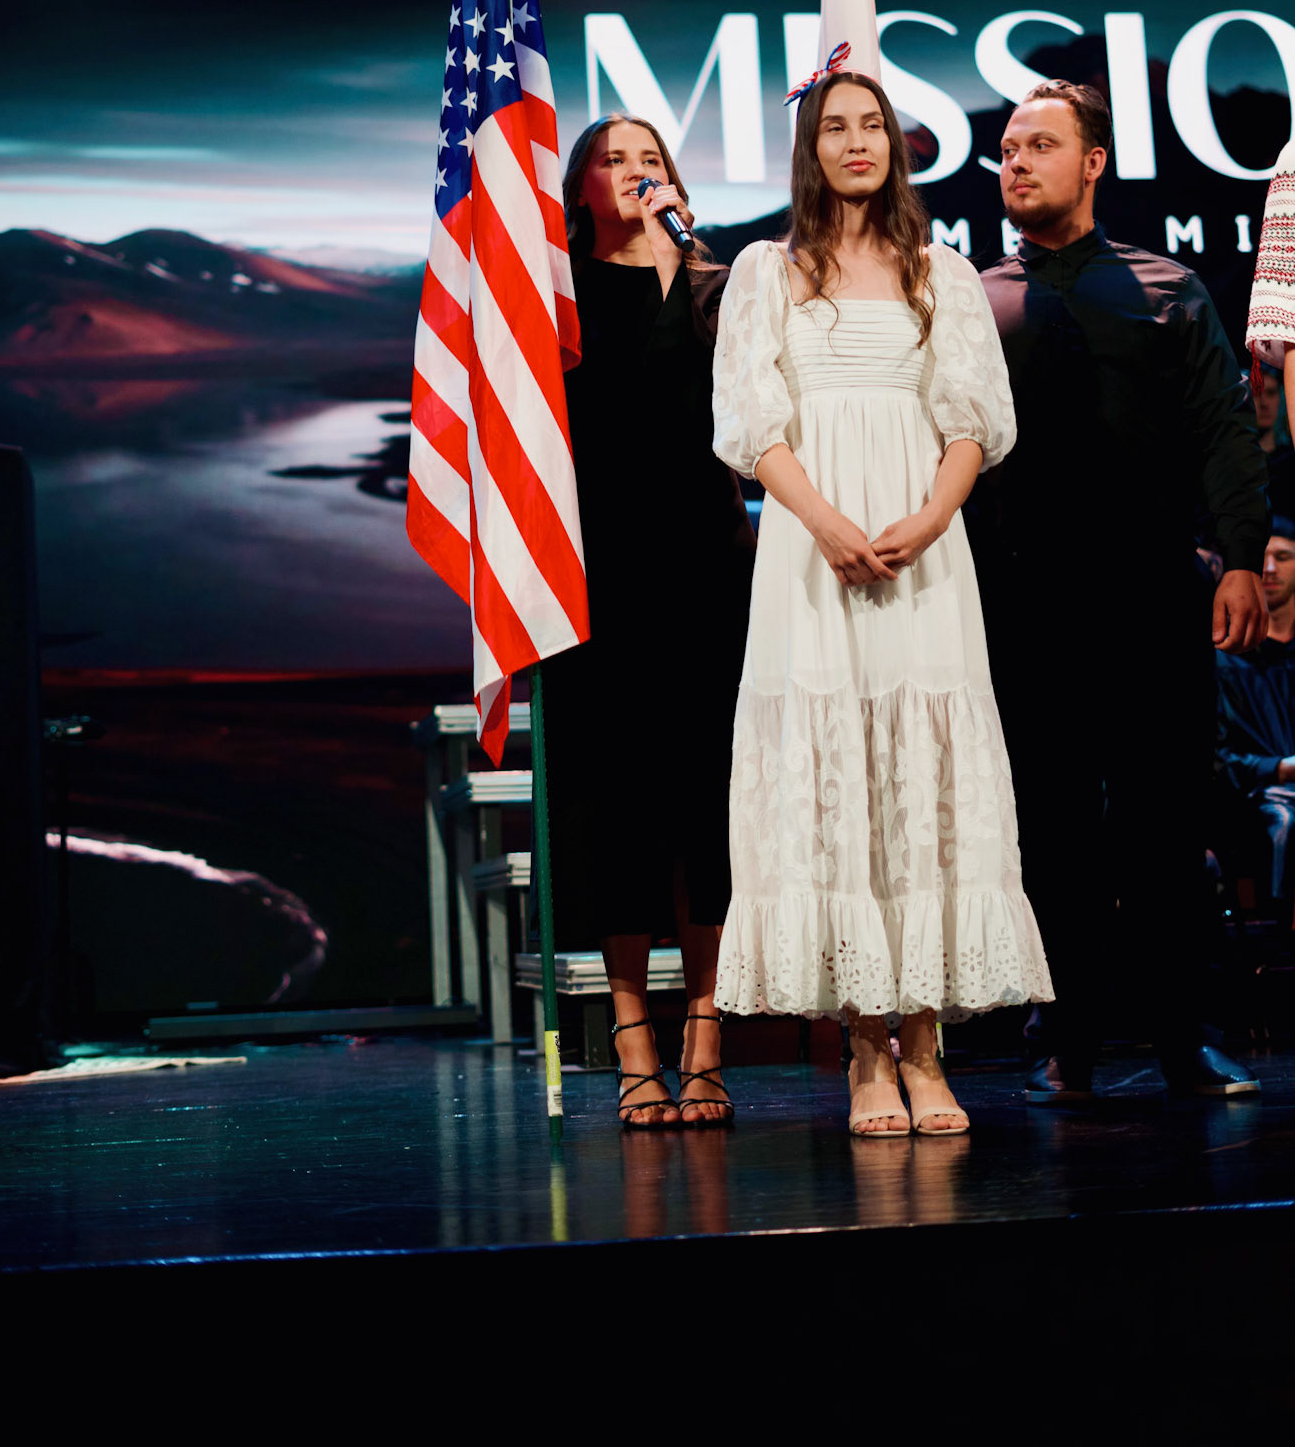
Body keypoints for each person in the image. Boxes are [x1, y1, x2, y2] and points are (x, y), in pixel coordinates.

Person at [711, 65, 1051, 1137]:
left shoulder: (939, 272)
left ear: (895, 146)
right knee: (839, 774)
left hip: (923, 553)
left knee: (921, 773)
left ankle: (927, 1045)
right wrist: (823, 521)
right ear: (809, 149)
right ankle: (865, 1050)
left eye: (872, 125)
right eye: (835, 127)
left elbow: (972, 419)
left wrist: (930, 517)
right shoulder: (767, 272)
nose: (856, 142)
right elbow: (751, 424)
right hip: (812, 556)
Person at [975, 80, 1267, 1102]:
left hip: (1149, 595)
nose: (1016, 162)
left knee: (1164, 822)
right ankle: (1066, 1039)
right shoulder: (974, 300)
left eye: (1039, 145)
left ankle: (1185, 1037)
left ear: (1092, 161)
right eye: (1008, 148)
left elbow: (1222, 428)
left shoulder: (1166, 287)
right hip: (1023, 604)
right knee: (1049, 828)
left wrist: (1239, 555)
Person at [540, 116, 755, 1127]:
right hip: (598, 580)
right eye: (613, 159)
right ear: (579, 185)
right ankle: (633, 1035)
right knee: (616, 808)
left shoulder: (720, 288)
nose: (635, 173)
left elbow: (742, 416)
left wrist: (680, 259)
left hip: (707, 574)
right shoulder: (554, 295)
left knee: (709, 805)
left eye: (651, 159)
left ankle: (705, 1033)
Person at [1214, 519, 1295, 907]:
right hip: (1252, 795)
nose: (1270, 568)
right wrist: (1281, 768)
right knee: (1283, 819)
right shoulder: (1225, 660)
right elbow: (1217, 759)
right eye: (1262, 557)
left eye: (1284, 556)